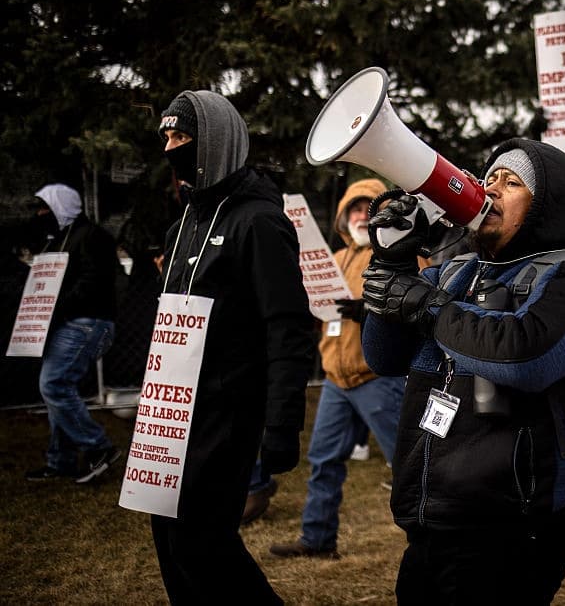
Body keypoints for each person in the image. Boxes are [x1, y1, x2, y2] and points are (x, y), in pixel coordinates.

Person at [361, 139, 565, 604]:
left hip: (512, 522)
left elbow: (523, 356)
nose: (489, 190)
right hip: (433, 511)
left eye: (511, 183)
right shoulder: (454, 273)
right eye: (488, 178)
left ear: (546, 207)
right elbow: (384, 357)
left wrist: (430, 307)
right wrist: (393, 260)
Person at [151, 90, 315, 604]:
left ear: (216, 143)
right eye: (166, 137)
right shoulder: (183, 225)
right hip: (174, 410)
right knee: (168, 537)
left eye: (182, 137)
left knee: (200, 541)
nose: (171, 148)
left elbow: (287, 327)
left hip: (228, 408)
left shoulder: (259, 222)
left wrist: (282, 424)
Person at [269, 178, 413, 559]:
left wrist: (367, 312)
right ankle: (317, 539)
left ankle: (436, 541)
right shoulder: (336, 257)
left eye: (371, 209)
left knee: (410, 463)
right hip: (336, 378)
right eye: (354, 208)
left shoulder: (400, 254)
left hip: (378, 378)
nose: (362, 216)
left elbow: (415, 306)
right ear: (342, 216)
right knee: (323, 461)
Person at [23, 183, 121, 483]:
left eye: (44, 207)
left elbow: (95, 280)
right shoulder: (58, 239)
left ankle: (99, 448)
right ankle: (61, 461)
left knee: (54, 384)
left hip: (87, 321)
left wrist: (57, 304)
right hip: (68, 320)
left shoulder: (91, 236)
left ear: (59, 206)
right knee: (59, 388)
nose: (40, 214)